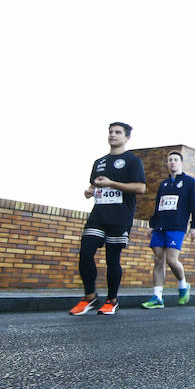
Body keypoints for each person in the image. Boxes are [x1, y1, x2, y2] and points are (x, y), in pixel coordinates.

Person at [69, 122, 146, 316]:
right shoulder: (99, 162)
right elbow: (95, 186)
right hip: (98, 215)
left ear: (127, 137)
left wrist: (112, 183)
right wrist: (90, 191)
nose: (113, 135)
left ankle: (112, 300)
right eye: (110, 132)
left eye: (118, 132)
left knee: (112, 259)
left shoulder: (132, 161)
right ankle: (89, 296)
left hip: (120, 216)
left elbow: (140, 188)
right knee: (86, 252)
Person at [142, 151, 195, 309]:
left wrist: (194, 225)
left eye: (175, 160)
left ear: (181, 163)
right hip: (160, 226)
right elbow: (158, 206)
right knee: (158, 260)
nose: (172, 162)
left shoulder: (189, 182)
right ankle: (157, 297)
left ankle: (183, 285)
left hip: (177, 226)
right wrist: (152, 225)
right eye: (170, 160)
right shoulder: (163, 184)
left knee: (171, 259)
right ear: (167, 164)